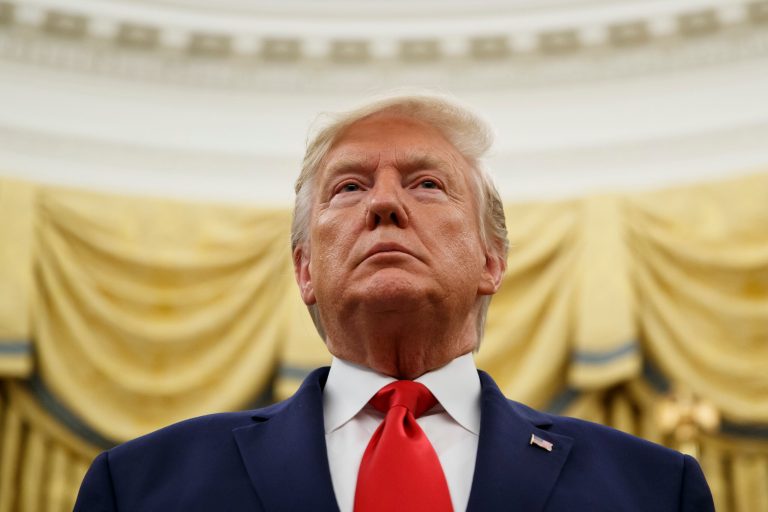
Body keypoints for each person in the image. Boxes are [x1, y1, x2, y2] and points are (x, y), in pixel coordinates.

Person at [74, 94, 715, 511]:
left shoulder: (654, 491)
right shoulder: (139, 488)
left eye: (426, 183)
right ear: (305, 271)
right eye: (349, 186)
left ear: (493, 260)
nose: (385, 203)